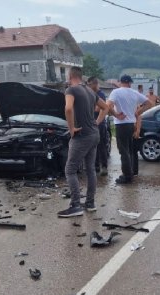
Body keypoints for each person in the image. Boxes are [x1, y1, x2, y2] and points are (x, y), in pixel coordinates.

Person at [58, 67, 108, 218]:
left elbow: (68, 109)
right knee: (90, 169)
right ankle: (90, 203)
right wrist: (96, 122)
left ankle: (75, 205)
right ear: (81, 76)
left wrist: (71, 128)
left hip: (82, 136)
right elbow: (105, 107)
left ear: (70, 75)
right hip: (94, 134)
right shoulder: (90, 91)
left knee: (70, 170)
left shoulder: (71, 90)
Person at [106, 75, 154, 184]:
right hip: (131, 124)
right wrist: (138, 112)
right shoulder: (134, 93)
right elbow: (149, 103)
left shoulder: (116, 92)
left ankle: (127, 176)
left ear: (120, 82)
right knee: (130, 150)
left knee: (123, 151)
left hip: (121, 125)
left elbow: (108, 106)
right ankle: (131, 172)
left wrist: (116, 115)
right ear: (130, 83)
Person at [86, 76, 109, 176]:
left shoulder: (100, 94)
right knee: (92, 146)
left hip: (100, 124)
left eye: (90, 84)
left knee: (101, 146)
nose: (88, 86)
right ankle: (96, 167)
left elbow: (98, 109)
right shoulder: (90, 94)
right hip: (91, 125)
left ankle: (104, 167)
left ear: (95, 84)